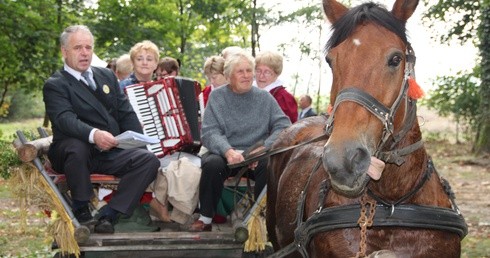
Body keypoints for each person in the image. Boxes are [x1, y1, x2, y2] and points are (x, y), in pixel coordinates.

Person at [43, 25, 160, 234]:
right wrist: (93, 134)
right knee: (76, 146)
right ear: (64, 51)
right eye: (78, 47)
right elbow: (64, 119)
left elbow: (126, 113)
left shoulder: (106, 75)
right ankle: (81, 209)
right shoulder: (56, 84)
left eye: (88, 47)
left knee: (148, 160)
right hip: (73, 154)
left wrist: (139, 142)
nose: (85, 52)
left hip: (108, 151)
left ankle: (110, 214)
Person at [189, 51, 291, 232]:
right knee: (212, 164)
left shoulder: (265, 98)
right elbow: (210, 131)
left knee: (269, 165)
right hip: (225, 153)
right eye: (240, 72)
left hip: (256, 154)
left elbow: (283, 126)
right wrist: (228, 151)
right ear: (228, 77)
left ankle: (259, 221)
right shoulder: (217, 97)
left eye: (249, 71)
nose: (247, 76)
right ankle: (205, 217)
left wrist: (264, 149)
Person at [255, 50, 298, 123]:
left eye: (267, 72)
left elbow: (287, 130)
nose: (261, 76)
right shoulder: (246, 91)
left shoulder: (284, 98)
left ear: (276, 74)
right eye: (258, 70)